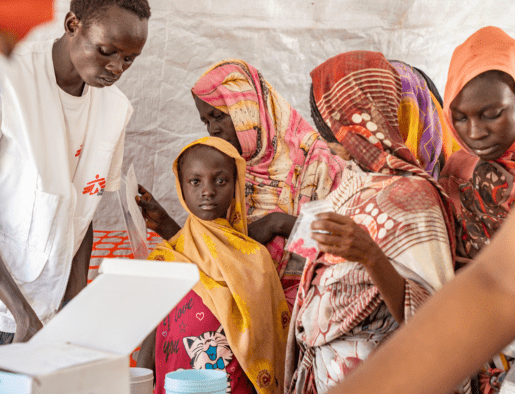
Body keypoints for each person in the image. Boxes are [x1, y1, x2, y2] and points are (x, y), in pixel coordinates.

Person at [283, 51, 457, 394]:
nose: (333, 149)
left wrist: (370, 256)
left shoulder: (414, 196)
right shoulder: (351, 182)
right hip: (328, 375)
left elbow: (439, 319)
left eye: (334, 135)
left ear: (360, 123)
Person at [137, 58, 347, 312]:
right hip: (243, 298)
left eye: (218, 116)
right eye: (206, 121)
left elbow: (340, 247)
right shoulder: (231, 167)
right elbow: (220, 252)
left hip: (309, 304)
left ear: (247, 107)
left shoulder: (320, 164)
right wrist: (166, 225)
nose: (213, 129)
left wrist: (278, 223)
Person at [0, 0, 150, 344]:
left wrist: (75, 304)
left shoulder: (114, 110)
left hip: (45, 314)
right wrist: (23, 316)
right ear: (72, 25)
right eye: (107, 51)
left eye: (129, 59)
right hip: (13, 310)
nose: (117, 68)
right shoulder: (11, 81)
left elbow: (83, 214)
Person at [321, 193, 515, 394]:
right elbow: (496, 282)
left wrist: (372, 257)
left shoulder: (413, 193)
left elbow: (500, 283)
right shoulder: (342, 198)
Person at [137, 137, 289, 394]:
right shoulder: (169, 255)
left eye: (220, 181)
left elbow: (265, 336)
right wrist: (140, 382)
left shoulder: (254, 257)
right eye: (195, 182)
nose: (207, 191)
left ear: (235, 186)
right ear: (181, 187)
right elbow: (154, 327)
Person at [437, 26, 515, 393]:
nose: (474, 132)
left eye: (492, 114)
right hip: (477, 347)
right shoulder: (458, 172)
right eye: (459, 117)